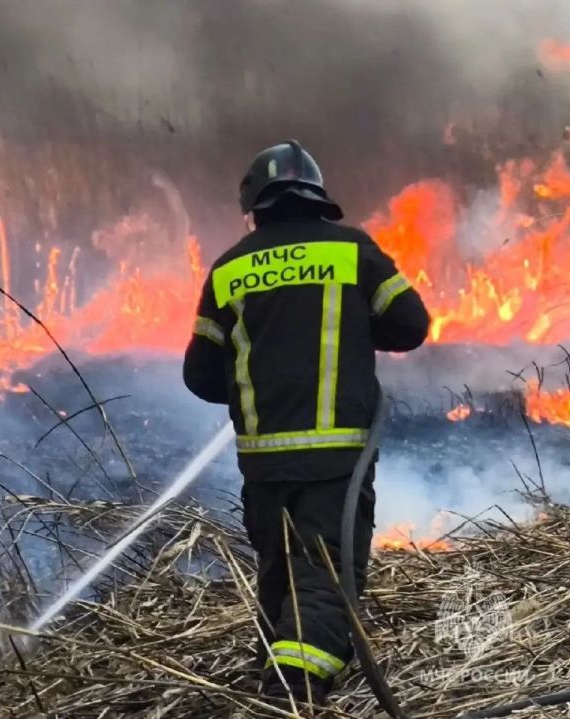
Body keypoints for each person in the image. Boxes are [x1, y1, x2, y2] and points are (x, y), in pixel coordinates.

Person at [182, 140, 429, 705]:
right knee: (323, 576)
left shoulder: (230, 268)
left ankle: (278, 671)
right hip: (336, 457)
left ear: (255, 203)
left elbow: (200, 375)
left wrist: (262, 382)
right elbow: (409, 327)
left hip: (264, 463)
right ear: (317, 195)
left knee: (280, 573)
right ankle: (293, 692)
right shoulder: (353, 251)